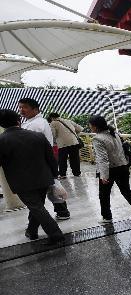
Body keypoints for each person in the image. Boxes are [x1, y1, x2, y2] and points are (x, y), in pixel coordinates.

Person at [0, 109, 64, 244]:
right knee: (37, 206)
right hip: (44, 178)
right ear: (18, 121)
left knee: (37, 208)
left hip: (22, 183)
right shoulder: (38, 136)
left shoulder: (2, 140)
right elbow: (51, 158)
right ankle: (32, 231)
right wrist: (54, 176)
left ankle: (55, 234)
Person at [88, 115, 131, 224]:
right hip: (123, 167)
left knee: (104, 195)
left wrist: (104, 176)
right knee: (127, 191)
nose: (90, 127)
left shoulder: (97, 139)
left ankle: (107, 218)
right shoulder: (115, 134)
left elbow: (103, 159)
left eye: (91, 125)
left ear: (96, 127)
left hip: (110, 170)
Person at [19, 98, 70, 220]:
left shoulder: (36, 124)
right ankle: (61, 212)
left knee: (46, 189)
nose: (21, 110)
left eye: (24, 107)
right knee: (51, 186)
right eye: (20, 107)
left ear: (35, 109)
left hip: (39, 161)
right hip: (43, 160)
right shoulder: (34, 122)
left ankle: (40, 220)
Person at [48, 113, 83, 178]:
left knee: (62, 159)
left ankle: (63, 174)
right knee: (75, 158)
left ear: (52, 118)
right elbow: (80, 129)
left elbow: (53, 134)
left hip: (63, 144)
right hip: (74, 142)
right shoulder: (68, 121)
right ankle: (77, 173)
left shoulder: (53, 123)